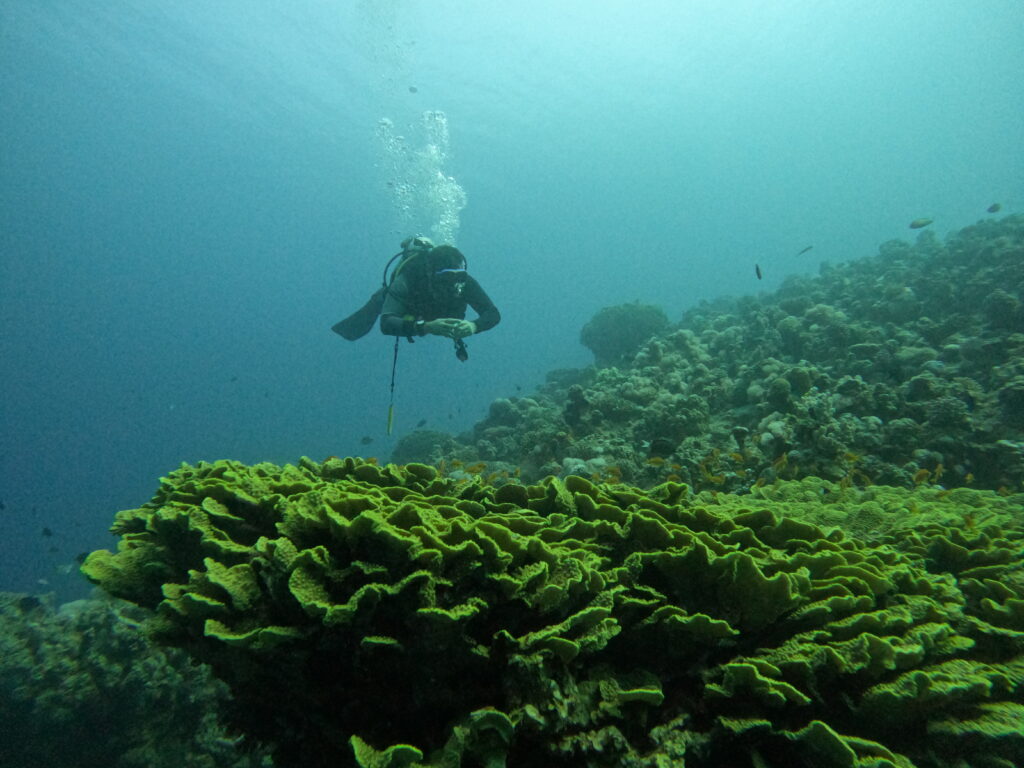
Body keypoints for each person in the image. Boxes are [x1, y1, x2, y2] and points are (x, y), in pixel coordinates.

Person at [332, 236, 500, 361]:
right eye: (445, 278)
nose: (452, 284)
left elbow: (492, 313)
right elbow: (386, 323)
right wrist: (425, 327)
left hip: (431, 315)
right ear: (430, 274)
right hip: (413, 312)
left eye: (457, 277)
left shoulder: (463, 281)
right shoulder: (408, 279)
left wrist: (473, 326)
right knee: (382, 297)